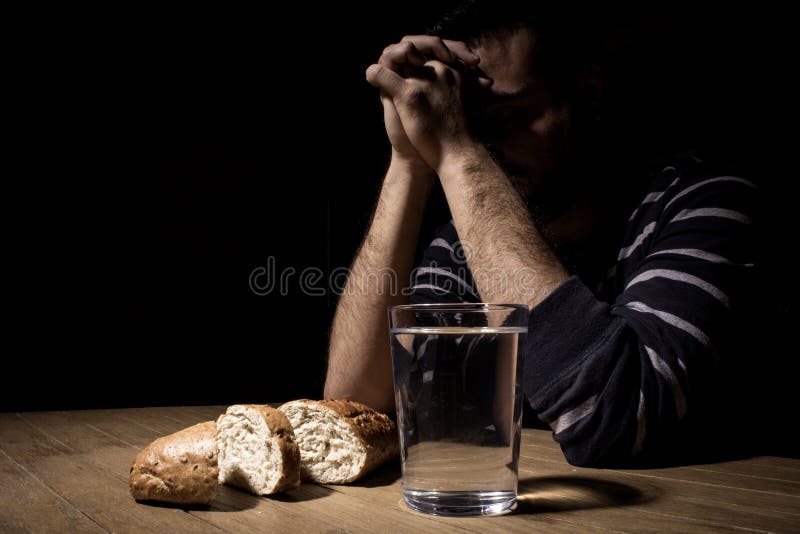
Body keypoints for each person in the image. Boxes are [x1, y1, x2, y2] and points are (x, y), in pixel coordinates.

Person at [323, 2, 760, 466]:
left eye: (507, 113)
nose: (483, 140)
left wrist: (456, 151)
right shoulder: (462, 245)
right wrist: (408, 159)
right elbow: (357, 414)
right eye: (466, 118)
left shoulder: (703, 203)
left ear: (587, 92)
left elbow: (614, 420)